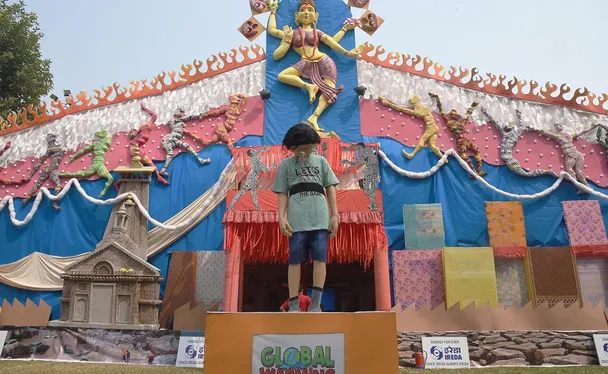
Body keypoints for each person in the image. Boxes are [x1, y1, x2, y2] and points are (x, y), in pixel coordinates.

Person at [272, 123, 340, 313]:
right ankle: (293, 303)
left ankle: (316, 304)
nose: (303, 152)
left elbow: (330, 187)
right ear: (292, 148)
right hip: (296, 220)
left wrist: (334, 215)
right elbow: (282, 192)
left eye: (307, 147)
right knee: (294, 261)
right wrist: (281, 216)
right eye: (298, 148)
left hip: (319, 217)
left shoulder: (321, 162)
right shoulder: (286, 165)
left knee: (320, 259)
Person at [267, 0, 362, 132]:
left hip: (324, 61)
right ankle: (309, 86)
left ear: (316, 16)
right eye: (303, 10)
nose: (306, 13)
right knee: (282, 76)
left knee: (329, 92)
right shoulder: (292, 33)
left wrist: (346, 50)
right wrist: (273, 12)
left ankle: (314, 118)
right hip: (305, 62)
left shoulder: (317, 32)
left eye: (310, 10)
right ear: (296, 15)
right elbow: (272, 30)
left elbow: (332, 42)